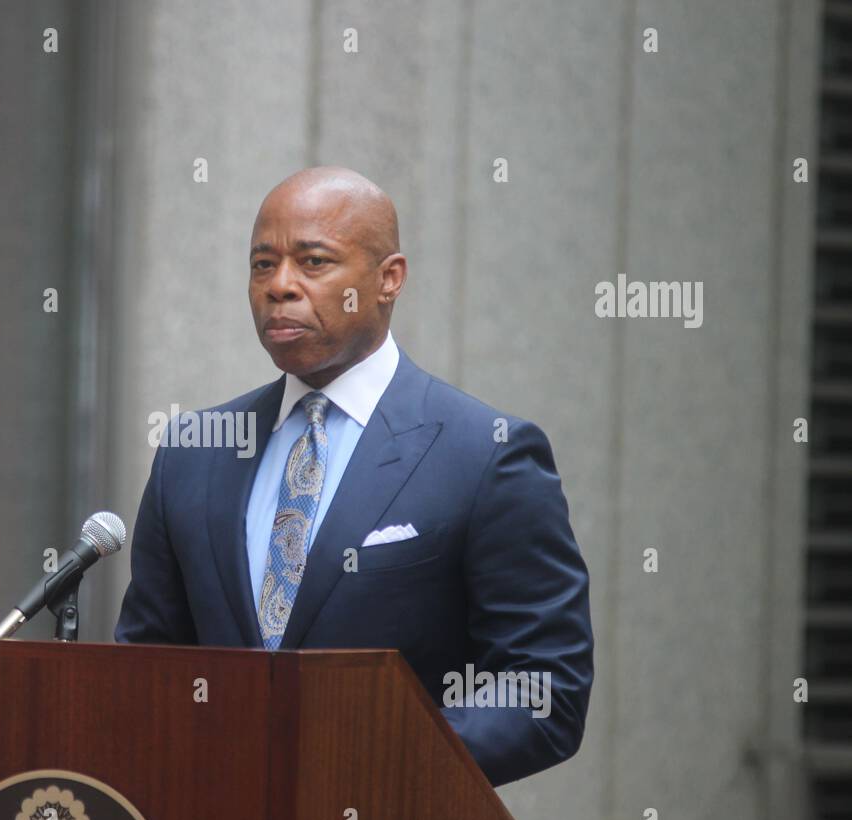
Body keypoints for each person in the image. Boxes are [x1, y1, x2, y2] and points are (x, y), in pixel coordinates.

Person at [114, 166, 594, 787]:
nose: (280, 286)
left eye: (313, 263)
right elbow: (148, 667)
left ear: (388, 279)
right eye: (263, 265)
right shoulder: (193, 452)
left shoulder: (486, 455)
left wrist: (361, 766)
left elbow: (543, 689)